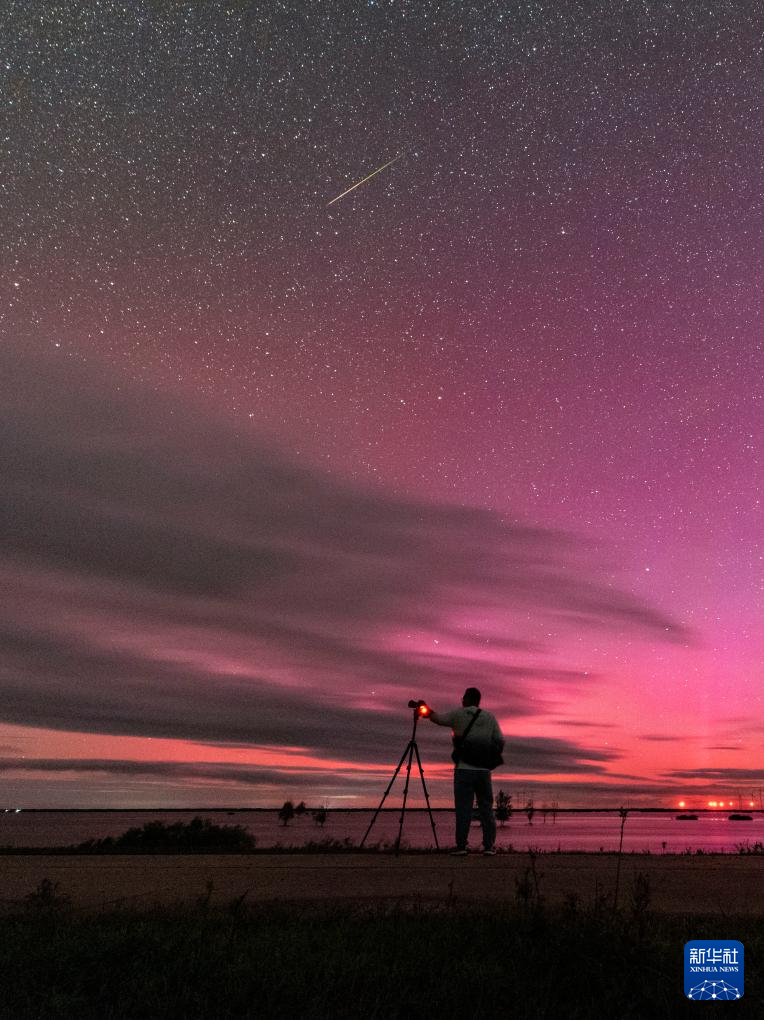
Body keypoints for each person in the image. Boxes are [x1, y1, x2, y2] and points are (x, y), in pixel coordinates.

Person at [428, 687, 504, 855]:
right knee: (486, 808)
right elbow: (500, 741)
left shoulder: (458, 714)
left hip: (463, 770)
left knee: (463, 809)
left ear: (468, 699)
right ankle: (489, 847)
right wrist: (490, 757)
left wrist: (426, 710)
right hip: (484, 771)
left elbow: (438, 719)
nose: (461, 700)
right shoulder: (490, 718)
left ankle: (462, 846)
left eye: (463, 697)